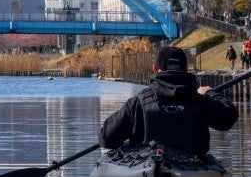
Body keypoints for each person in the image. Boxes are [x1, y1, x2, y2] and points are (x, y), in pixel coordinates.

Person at [100, 45, 239, 157]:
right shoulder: (201, 100)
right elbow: (228, 118)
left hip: (145, 163)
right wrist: (209, 93)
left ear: (155, 69)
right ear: (185, 69)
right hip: (190, 168)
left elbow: (106, 138)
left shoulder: (138, 102)